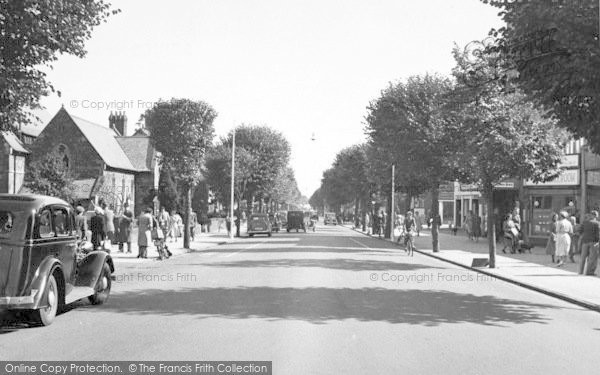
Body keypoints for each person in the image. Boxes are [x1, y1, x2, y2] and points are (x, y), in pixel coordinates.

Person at [578, 211, 600, 275]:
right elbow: (598, 234)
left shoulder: (585, 222)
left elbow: (580, 231)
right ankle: (589, 272)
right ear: (596, 216)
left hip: (585, 241)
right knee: (592, 258)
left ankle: (580, 271)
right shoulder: (597, 223)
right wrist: (598, 241)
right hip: (593, 242)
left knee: (583, 257)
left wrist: (584, 236)